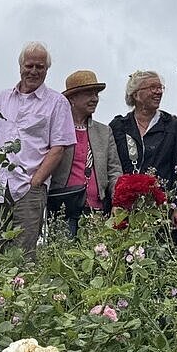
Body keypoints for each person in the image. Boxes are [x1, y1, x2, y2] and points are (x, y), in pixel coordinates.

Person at [0, 42, 76, 260]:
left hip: (29, 187)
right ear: (20, 66)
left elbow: (59, 147)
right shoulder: (0, 98)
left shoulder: (57, 102)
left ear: (47, 69)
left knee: (23, 254)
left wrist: (35, 182)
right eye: (29, 66)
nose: (34, 71)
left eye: (40, 67)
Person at [109, 70, 177, 231]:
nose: (158, 91)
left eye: (160, 87)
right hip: (126, 208)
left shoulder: (172, 125)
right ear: (136, 94)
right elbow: (112, 167)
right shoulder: (119, 126)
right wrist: (116, 201)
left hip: (161, 208)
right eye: (152, 87)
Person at [47, 70, 122, 235]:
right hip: (63, 209)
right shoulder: (56, 129)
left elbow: (114, 170)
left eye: (96, 94)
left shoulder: (104, 131)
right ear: (72, 98)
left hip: (97, 210)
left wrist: (117, 200)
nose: (95, 98)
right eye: (89, 94)